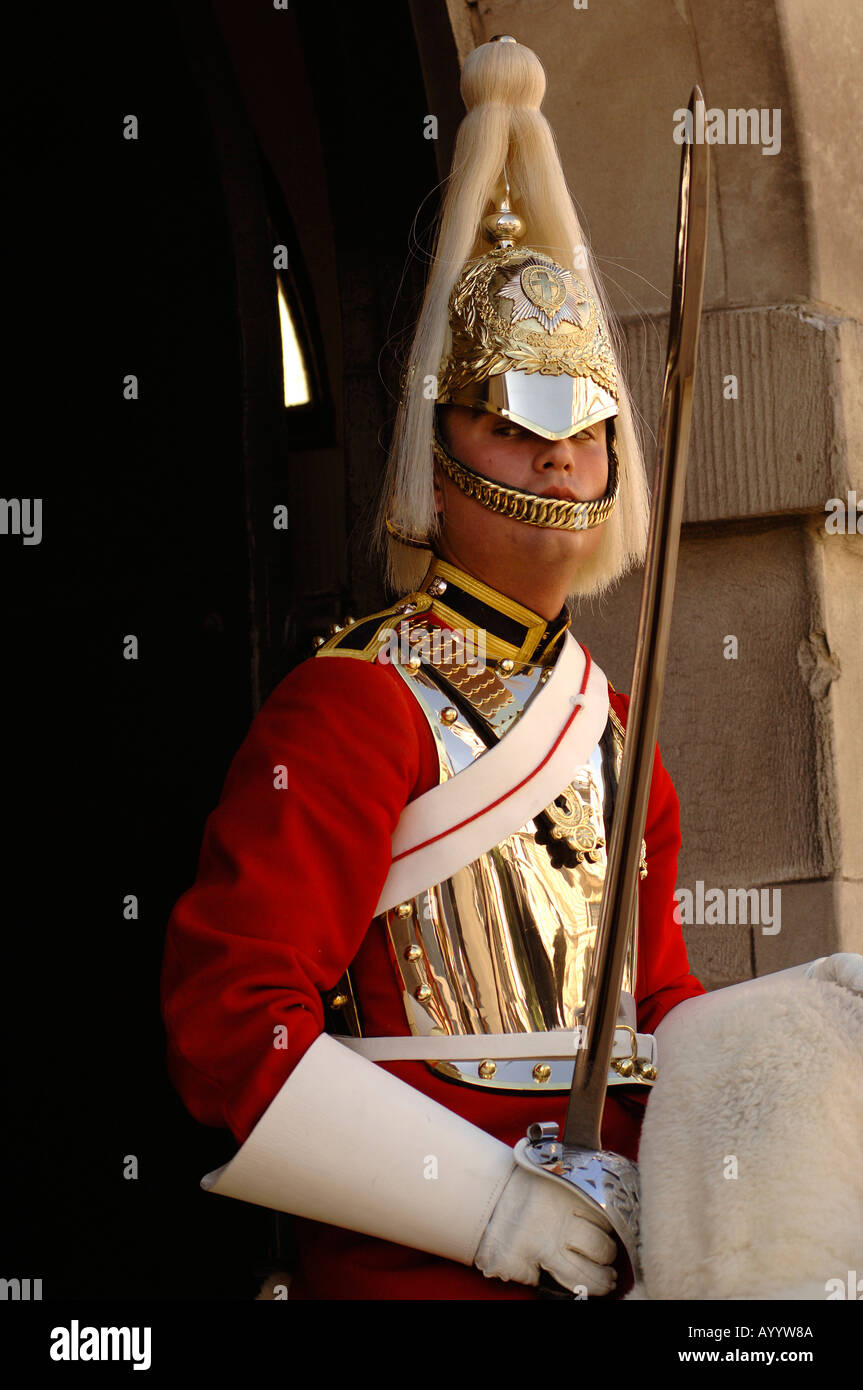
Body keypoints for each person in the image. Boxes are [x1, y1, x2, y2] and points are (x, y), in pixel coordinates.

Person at [160, 35, 706, 1301]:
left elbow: (662, 1011)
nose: (555, 453)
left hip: (633, 1263)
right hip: (425, 1267)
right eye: (509, 418)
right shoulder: (353, 705)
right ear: (438, 447)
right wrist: (483, 1213)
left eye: (581, 423)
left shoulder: (618, 728)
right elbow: (233, 1019)